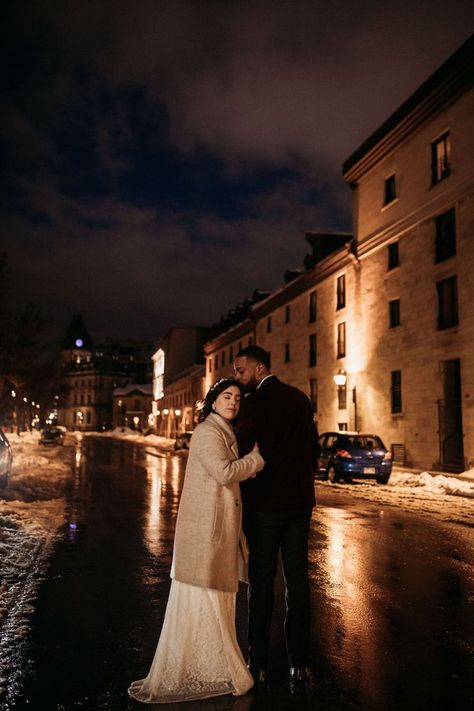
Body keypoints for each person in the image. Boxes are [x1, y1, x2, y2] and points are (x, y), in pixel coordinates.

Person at [128, 378, 265, 704]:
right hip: (207, 535)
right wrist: (256, 460)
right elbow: (224, 472)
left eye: (237, 398)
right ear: (213, 401)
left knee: (214, 602)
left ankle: (211, 665)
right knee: (210, 600)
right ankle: (220, 668)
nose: (233, 401)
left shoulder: (221, 430)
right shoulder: (207, 431)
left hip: (213, 533)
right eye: (226, 396)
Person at [233, 346, 320, 690]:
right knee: (298, 583)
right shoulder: (299, 398)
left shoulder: (253, 404)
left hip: (264, 506)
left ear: (259, 369)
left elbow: (243, 451)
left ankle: (259, 664)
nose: (238, 378)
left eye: (241, 371)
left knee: (262, 583)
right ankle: (299, 664)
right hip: (299, 504)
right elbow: (314, 447)